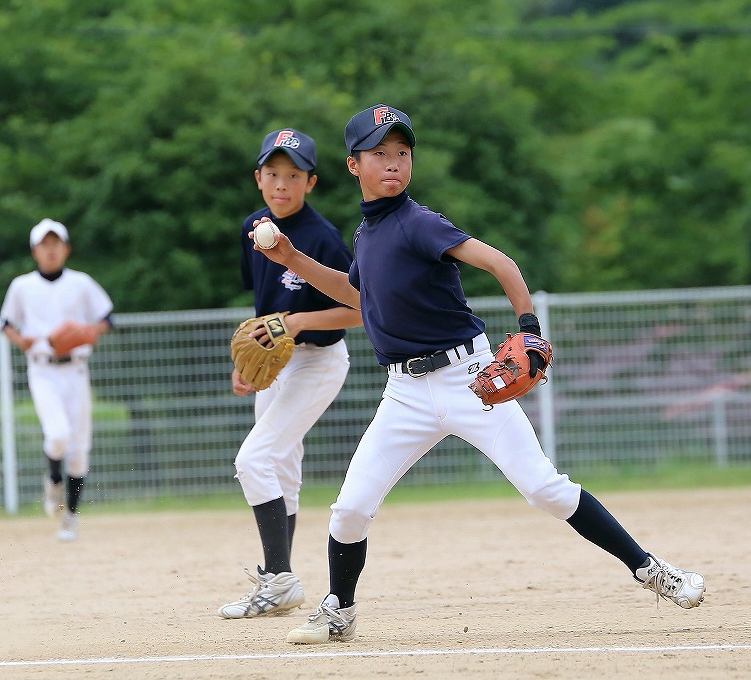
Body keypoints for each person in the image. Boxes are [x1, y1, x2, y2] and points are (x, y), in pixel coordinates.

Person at [250, 105, 706, 644]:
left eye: (402, 153)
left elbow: (500, 264)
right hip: (406, 393)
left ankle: (653, 570)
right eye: (379, 153)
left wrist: (529, 327)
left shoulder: (419, 223)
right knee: (349, 509)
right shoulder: (366, 235)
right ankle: (338, 611)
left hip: (470, 379)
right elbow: (355, 295)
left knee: (544, 489)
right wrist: (288, 254)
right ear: (354, 166)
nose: (393, 163)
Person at [217, 128, 363, 620]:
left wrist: (299, 321)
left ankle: (280, 578)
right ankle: (276, 580)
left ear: (311, 182)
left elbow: (362, 307)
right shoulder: (252, 226)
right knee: (281, 471)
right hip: (278, 363)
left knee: (253, 460)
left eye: (293, 174)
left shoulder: (320, 238)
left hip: (319, 362)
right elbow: (263, 308)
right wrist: (248, 359)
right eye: (273, 173)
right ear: (258, 178)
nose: (282, 183)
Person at [1, 218, 113, 542]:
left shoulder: (80, 283)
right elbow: (7, 321)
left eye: (56, 244)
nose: (50, 250)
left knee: (79, 451)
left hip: (75, 369)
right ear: (35, 251)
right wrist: (20, 340)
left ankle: (71, 518)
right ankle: (53, 481)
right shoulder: (23, 286)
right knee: (58, 434)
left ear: (66, 248)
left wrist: (91, 331)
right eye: (44, 245)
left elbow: (107, 317)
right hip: (42, 368)